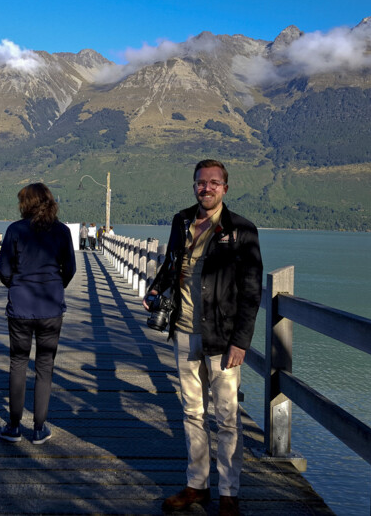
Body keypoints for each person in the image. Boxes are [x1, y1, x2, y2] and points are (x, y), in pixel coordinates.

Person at [144, 159, 263, 516]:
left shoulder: (242, 230)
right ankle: (197, 485)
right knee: (192, 412)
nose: (206, 188)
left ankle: (229, 494)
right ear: (194, 186)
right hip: (183, 332)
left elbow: (252, 291)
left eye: (214, 183)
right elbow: (170, 263)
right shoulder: (181, 221)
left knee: (227, 417)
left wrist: (241, 341)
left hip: (222, 338)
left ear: (225, 188)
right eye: (201, 182)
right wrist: (156, 289)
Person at [0, 183, 76, 444]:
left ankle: (13, 426)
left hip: (20, 307)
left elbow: (5, 270)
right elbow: (71, 269)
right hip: (51, 308)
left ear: (25, 203)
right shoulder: (62, 231)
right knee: (45, 366)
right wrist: (55, 286)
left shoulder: (15, 230)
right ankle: (39, 428)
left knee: (17, 364)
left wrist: (17, 286)